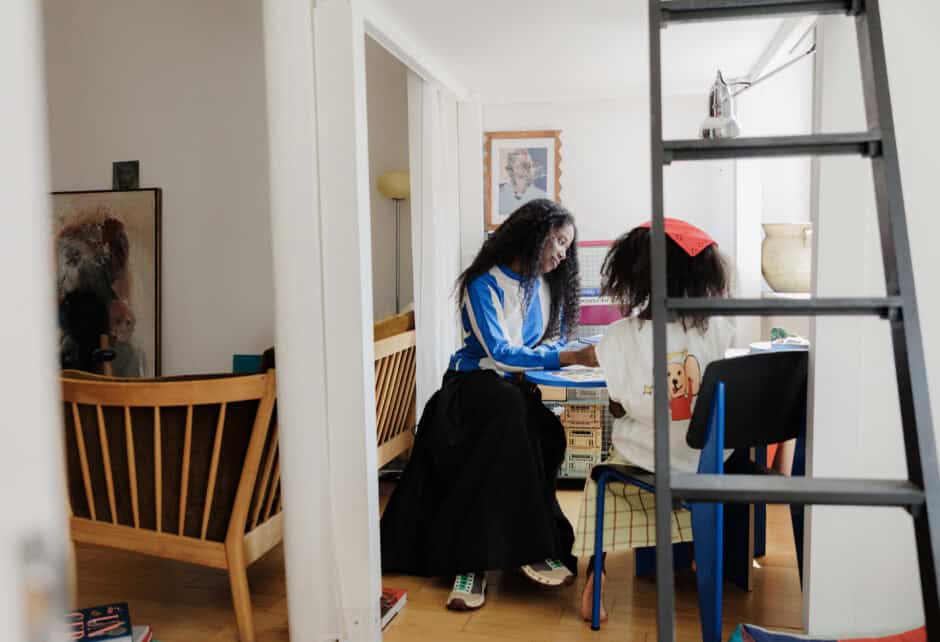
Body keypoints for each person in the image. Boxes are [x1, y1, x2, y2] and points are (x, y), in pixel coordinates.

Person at [380, 198, 598, 611]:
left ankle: (518, 548)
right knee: (509, 414)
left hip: (507, 392)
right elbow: (499, 354)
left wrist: (561, 354)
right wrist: (571, 356)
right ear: (532, 234)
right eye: (558, 241)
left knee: (546, 430)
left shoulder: (542, 287)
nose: (562, 254)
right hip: (469, 389)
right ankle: (503, 555)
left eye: (568, 246)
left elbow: (540, 346)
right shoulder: (483, 283)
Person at [570, 219, 735, 622]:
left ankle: (596, 573)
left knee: (599, 482)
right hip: (707, 462)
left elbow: (618, 407)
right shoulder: (720, 329)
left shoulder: (619, 336)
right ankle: (699, 550)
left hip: (644, 460)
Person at [497, 149, 549, 216]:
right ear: (509, 171)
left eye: (530, 165)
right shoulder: (500, 196)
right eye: (522, 165)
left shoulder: (542, 196)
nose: (528, 170)